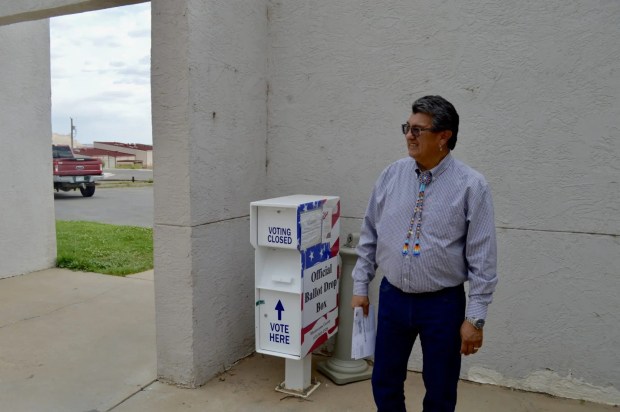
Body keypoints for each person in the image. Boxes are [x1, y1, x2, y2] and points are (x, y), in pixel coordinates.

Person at [351, 95, 498, 412]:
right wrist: (361, 285)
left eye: (418, 130)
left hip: (442, 305)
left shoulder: (472, 186)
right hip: (393, 297)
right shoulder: (392, 174)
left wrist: (475, 318)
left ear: (444, 136)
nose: (409, 135)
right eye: (407, 127)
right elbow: (370, 232)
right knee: (384, 381)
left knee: (441, 388)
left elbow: (482, 258)